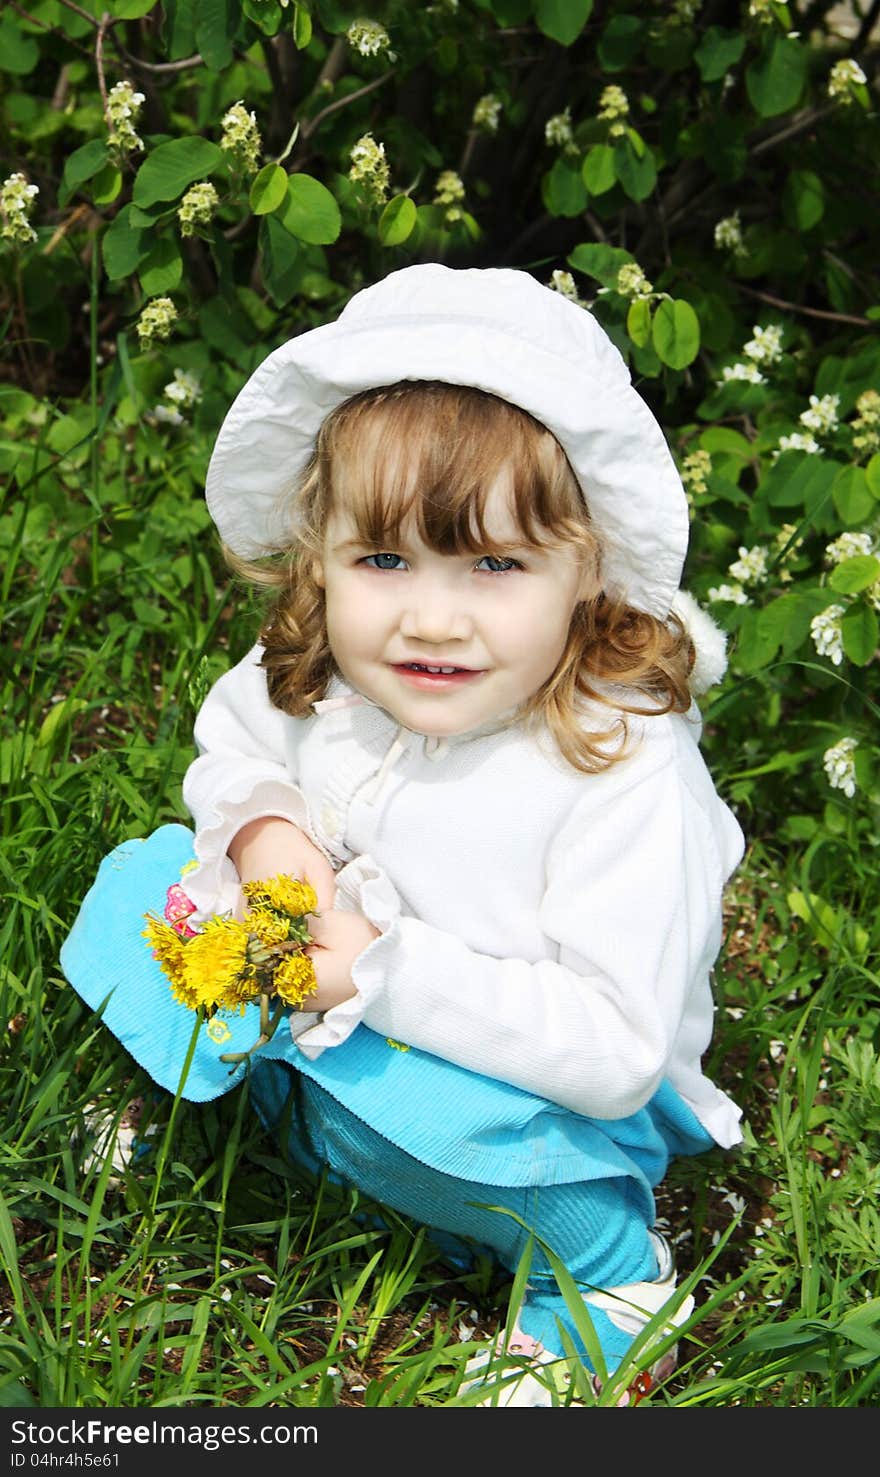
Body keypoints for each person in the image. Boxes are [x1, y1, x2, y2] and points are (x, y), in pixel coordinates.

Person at [62, 263, 745, 1407]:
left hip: (522, 1092)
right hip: (322, 977)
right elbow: (231, 748)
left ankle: (605, 1275)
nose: (431, 617)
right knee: (145, 890)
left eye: (494, 564)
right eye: (382, 561)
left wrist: (373, 969)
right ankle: (254, 1105)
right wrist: (270, 832)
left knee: (421, 1114)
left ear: (589, 573)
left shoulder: (620, 767)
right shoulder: (327, 673)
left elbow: (614, 1048)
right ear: (317, 553)